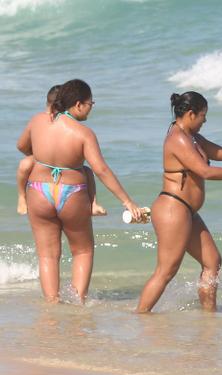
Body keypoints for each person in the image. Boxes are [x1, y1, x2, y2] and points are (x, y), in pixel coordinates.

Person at [136, 91, 222, 313]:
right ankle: (140, 316)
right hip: (173, 209)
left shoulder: (192, 136)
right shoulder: (178, 139)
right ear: (191, 114)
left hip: (187, 212)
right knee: (166, 271)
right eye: (203, 115)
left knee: (212, 261)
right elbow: (205, 171)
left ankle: (208, 317)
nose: (205, 120)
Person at [16, 78, 142, 303]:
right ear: (78, 105)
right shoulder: (83, 133)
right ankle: (77, 303)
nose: (91, 108)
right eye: (90, 103)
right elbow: (101, 170)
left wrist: (43, 156)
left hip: (38, 189)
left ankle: (52, 305)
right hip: (71, 192)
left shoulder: (37, 121)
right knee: (82, 251)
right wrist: (127, 201)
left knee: (47, 255)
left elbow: (22, 146)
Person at [17, 85, 106, 217]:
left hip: (41, 184)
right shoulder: (72, 126)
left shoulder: (38, 120)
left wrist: (39, 157)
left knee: (26, 163)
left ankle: (22, 197)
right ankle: (21, 197)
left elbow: (21, 146)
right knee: (87, 171)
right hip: (67, 182)